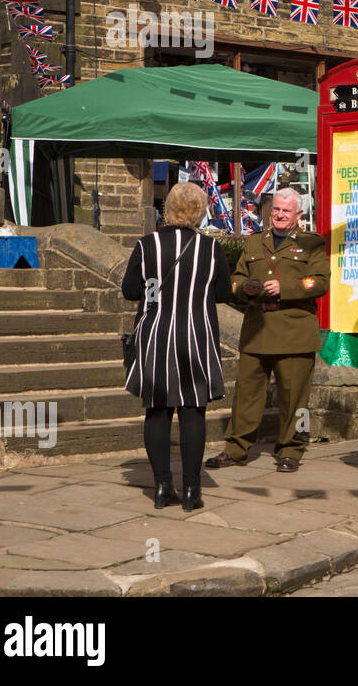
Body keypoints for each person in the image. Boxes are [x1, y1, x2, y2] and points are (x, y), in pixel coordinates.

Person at [121, 183, 232, 512]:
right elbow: (224, 292)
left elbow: (130, 290)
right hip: (196, 335)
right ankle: (192, 492)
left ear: (167, 210)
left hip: (156, 334)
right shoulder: (211, 249)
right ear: (200, 210)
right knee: (192, 411)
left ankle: (162, 487)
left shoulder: (147, 245)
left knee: (156, 411)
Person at [206, 187, 329, 473]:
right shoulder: (254, 242)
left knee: (296, 398)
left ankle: (292, 449)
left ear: (299, 214)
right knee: (246, 395)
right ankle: (236, 449)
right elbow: (236, 278)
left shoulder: (312, 243)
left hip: (294, 330)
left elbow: (320, 282)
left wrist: (284, 287)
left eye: (286, 211)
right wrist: (244, 288)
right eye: (275, 210)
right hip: (257, 329)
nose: (280, 215)